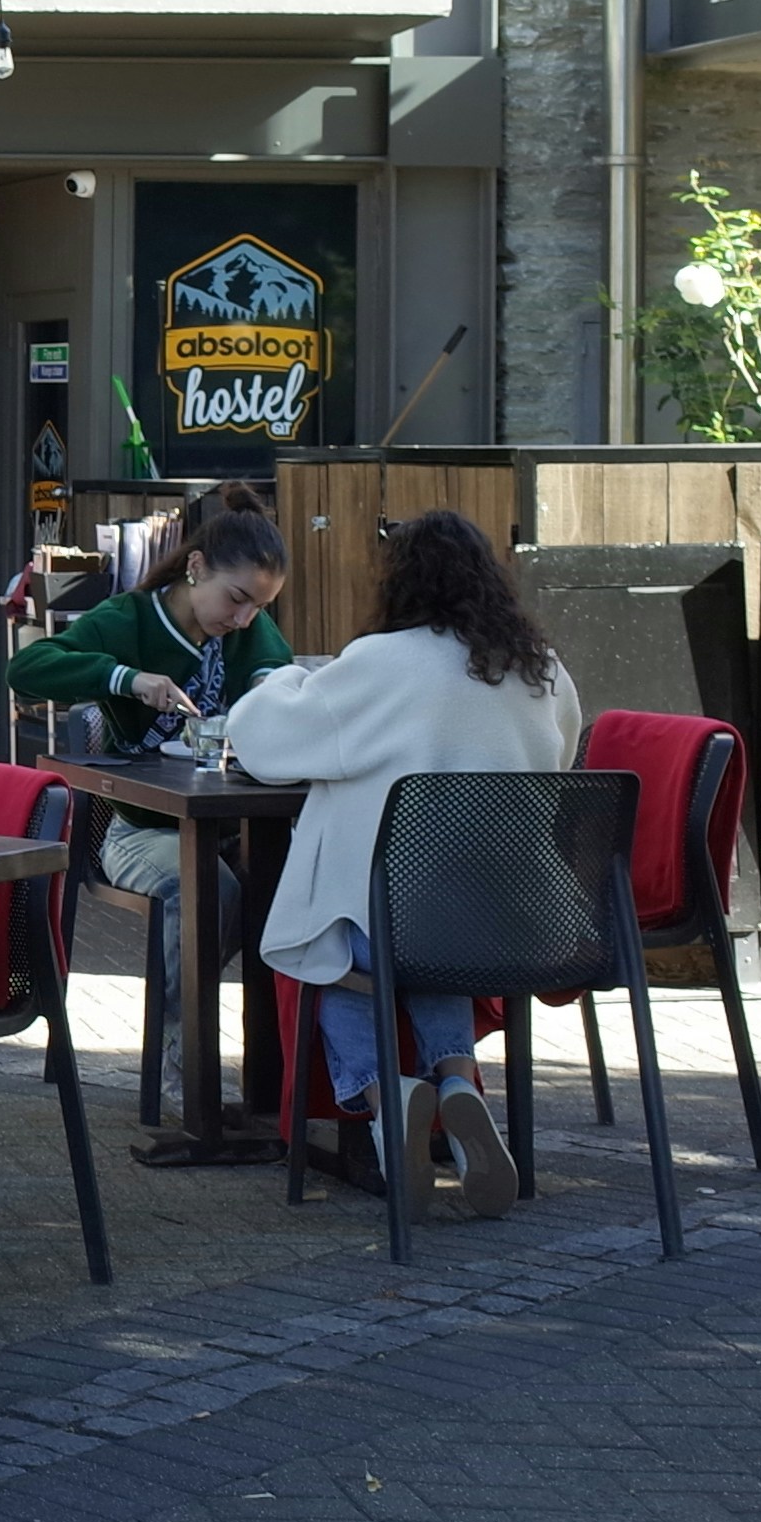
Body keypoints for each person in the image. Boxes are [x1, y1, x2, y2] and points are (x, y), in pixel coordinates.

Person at [223, 510, 583, 1212]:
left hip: (393, 921)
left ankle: (388, 1097)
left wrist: (278, 681)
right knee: (433, 928)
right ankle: (454, 1080)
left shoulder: (382, 663)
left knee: (331, 943)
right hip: (515, 922)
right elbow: (560, 760)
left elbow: (265, 742)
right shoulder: (541, 669)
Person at [6, 482, 294, 912]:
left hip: (234, 829)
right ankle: (189, 983)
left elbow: (276, 672)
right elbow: (25, 670)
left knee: (303, 889)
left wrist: (269, 690)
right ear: (196, 566)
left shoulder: (247, 626)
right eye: (236, 599)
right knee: (210, 892)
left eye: (260, 607)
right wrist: (128, 679)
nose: (244, 618)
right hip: (142, 833)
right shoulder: (128, 618)